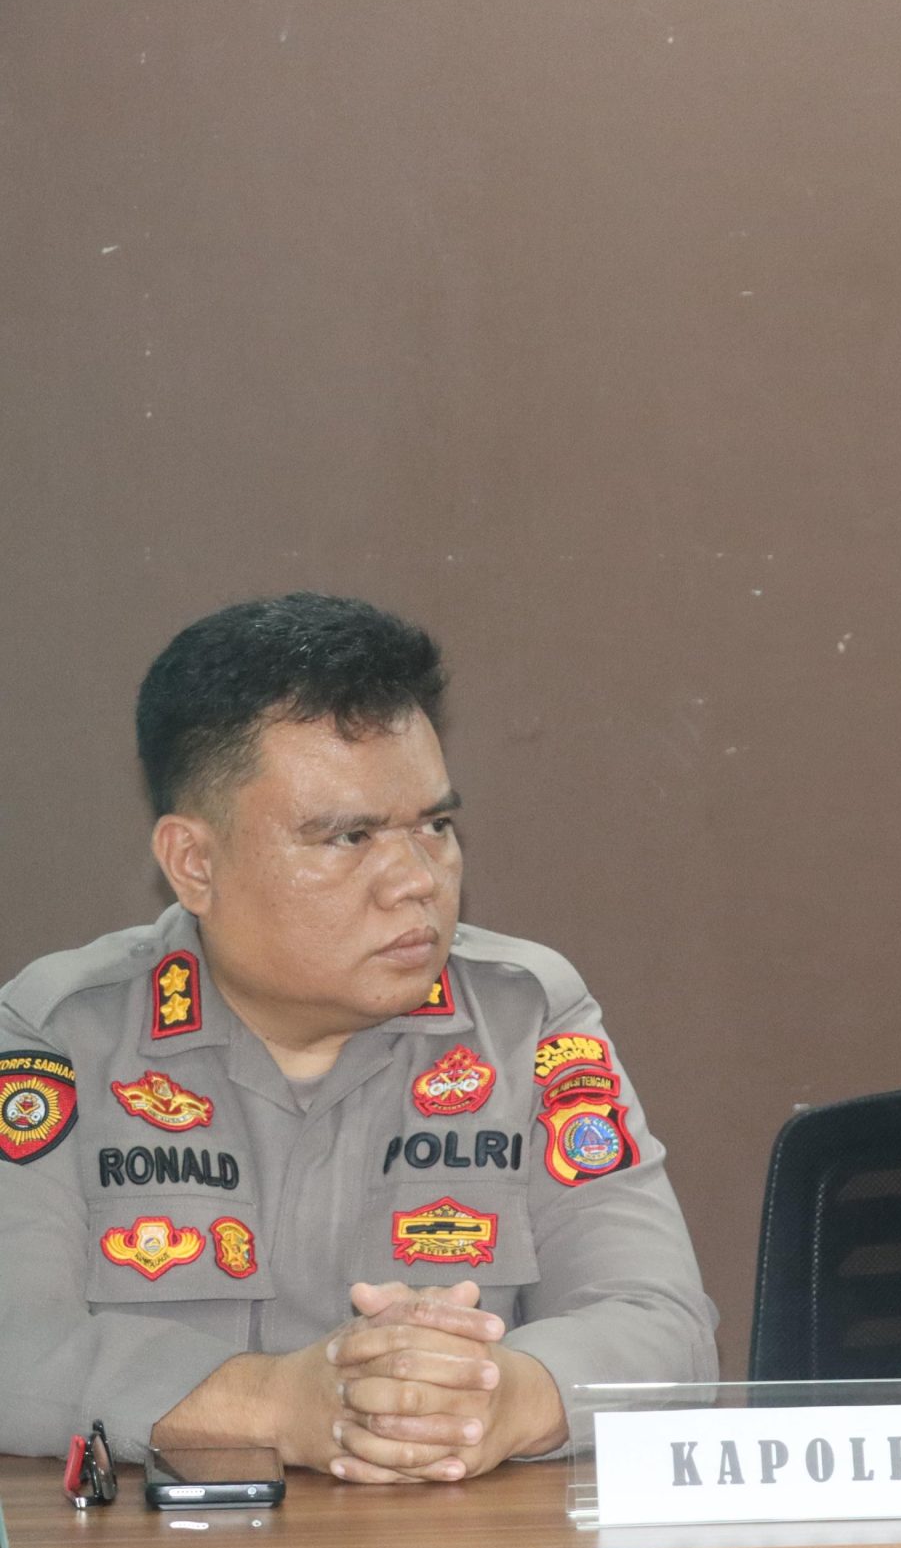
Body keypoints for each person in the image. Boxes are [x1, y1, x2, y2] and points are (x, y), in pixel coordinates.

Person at [0, 594, 716, 1482]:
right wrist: (274, 1404)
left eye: (436, 827)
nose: (417, 880)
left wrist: (501, 1397)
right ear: (194, 862)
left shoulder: (526, 1016)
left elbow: (662, 1322)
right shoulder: (60, 1032)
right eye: (350, 836)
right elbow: (15, 1339)